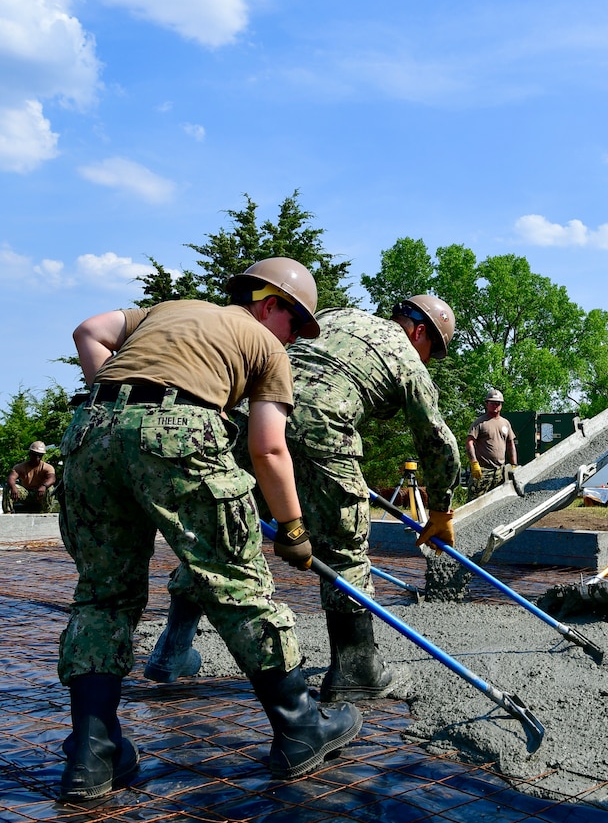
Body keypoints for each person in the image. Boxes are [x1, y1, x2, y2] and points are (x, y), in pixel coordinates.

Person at [55, 257, 359, 803]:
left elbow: (89, 331)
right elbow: (268, 448)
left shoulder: (166, 311)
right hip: (180, 433)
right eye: (296, 325)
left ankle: (92, 753)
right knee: (237, 586)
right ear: (270, 304)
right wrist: (292, 528)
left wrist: (123, 404)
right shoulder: (266, 347)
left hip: (89, 432)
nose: (295, 340)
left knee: (102, 596)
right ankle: (300, 727)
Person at [146, 295, 461, 708]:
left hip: (253, 417)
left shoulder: (332, 316)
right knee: (344, 545)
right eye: (431, 352)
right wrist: (440, 510)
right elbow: (437, 442)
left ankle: (171, 651)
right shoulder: (405, 353)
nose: (428, 359)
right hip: (323, 428)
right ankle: (356, 670)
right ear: (420, 332)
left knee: (218, 532)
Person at [465, 389, 517, 498]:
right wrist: (474, 463)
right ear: (487, 404)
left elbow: (510, 444)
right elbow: (469, 443)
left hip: (500, 472)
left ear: (501, 405)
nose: (495, 406)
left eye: (498, 403)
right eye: (492, 403)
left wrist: (514, 465)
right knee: (475, 503)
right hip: (482, 471)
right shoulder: (480, 423)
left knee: (496, 503)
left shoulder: (505, 423)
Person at [7, 441, 57, 514]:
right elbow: (11, 478)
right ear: (30, 454)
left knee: (50, 488)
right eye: (34, 455)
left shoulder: (47, 467)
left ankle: (46, 512)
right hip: (26, 493)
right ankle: (8, 512)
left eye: (39, 455)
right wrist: (13, 487)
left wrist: (44, 486)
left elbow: (52, 478)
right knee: (8, 487)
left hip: (40, 494)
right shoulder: (20, 467)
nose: (37, 457)